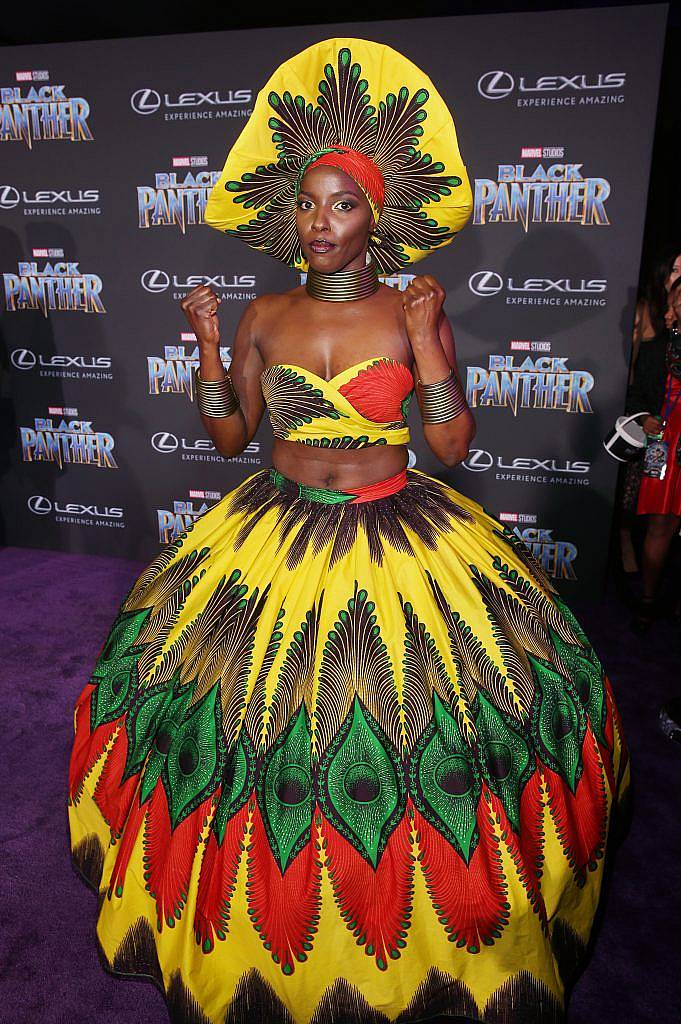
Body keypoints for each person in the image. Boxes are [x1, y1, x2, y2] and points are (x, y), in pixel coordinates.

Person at [68, 38, 630, 1024]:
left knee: (423, 736)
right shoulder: (262, 312)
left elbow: (451, 447)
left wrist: (422, 341)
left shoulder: (412, 307)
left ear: (377, 218)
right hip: (274, 531)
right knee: (228, 730)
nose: (320, 221)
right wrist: (206, 346)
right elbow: (233, 432)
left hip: (396, 529)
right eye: (308, 202)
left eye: (343, 204)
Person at [628, 276, 681, 631]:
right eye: (678, 302)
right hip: (663, 445)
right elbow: (634, 397)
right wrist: (644, 417)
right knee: (658, 523)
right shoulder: (655, 350)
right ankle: (648, 596)